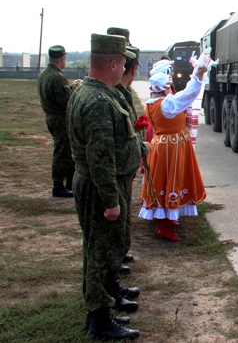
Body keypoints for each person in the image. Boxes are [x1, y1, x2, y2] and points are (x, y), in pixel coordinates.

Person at [67, 33, 143, 341]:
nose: (124, 69)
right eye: (123, 63)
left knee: (99, 249)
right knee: (99, 251)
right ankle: (99, 318)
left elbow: (114, 143)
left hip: (97, 183)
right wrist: (112, 201)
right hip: (100, 187)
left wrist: (140, 149)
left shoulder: (93, 92)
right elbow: (100, 157)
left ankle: (102, 308)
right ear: (112, 63)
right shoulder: (97, 101)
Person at [138, 67, 207, 242]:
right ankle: (163, 225)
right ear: (165, 88)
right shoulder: (167, 104)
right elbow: (190, 93)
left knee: (165, 179)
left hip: (164, 145)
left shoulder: (151, 103)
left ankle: (168, 218)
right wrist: (197, 75)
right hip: (171, 147)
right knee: (170, 179)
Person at [108, 27, 144, 275]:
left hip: (125, 165)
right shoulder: (109, 91)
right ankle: (113, 262)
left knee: (124, 217)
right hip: (115, 167)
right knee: (113, 223)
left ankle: (121, 251)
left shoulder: (123, 90)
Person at [37, 45, 76, 198]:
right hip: (60, 118)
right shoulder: (57, 77)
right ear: (63, 59)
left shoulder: (45, 74)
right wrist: (74, 90)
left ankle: (69, 183)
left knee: (66, 150)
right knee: (62, 151)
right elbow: (67, 101)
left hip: (51, 116)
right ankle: (58, 185)